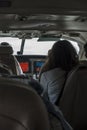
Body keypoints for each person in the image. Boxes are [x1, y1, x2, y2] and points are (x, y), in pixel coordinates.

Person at [39, 40, 79, 104]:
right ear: (73, 53)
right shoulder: (82, 72)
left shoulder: (47, 75)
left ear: (53, 56)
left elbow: (43, 100)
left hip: (59, 113)